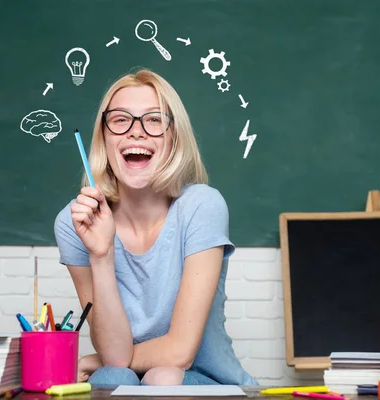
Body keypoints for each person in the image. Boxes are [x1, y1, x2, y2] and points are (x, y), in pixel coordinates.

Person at [54, 68, 258, 387]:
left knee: (159, 375)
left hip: (206, 381)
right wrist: (101, 255)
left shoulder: (202, 206)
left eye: (154, 119)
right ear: (104, 138)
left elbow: (179, 353)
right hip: (124, 376)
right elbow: (116, 361)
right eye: (121, 120)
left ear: (174, 137)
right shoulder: (76, 221)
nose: (137, 132)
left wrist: (99, 358)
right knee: (111, 376)